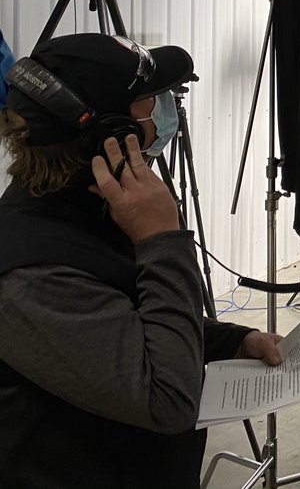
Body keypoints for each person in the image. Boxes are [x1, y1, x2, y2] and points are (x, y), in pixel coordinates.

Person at [0, 33, 283, 488]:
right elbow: (167, 400)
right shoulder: (31, 272)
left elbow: (121, 321)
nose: (169, 110)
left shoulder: (89, 207)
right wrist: (161, 238)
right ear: (110, 134)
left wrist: (231, 341)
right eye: (152, 99)